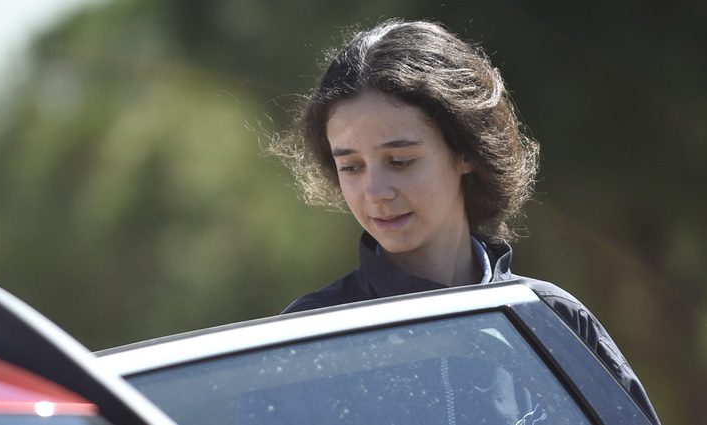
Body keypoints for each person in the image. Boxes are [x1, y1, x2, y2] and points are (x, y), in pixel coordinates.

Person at [270, 18, 659, 424]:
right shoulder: (309, 337)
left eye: (400, 161)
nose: (375, 191)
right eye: (350, 167)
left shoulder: (552, 321)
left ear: (465, 152)